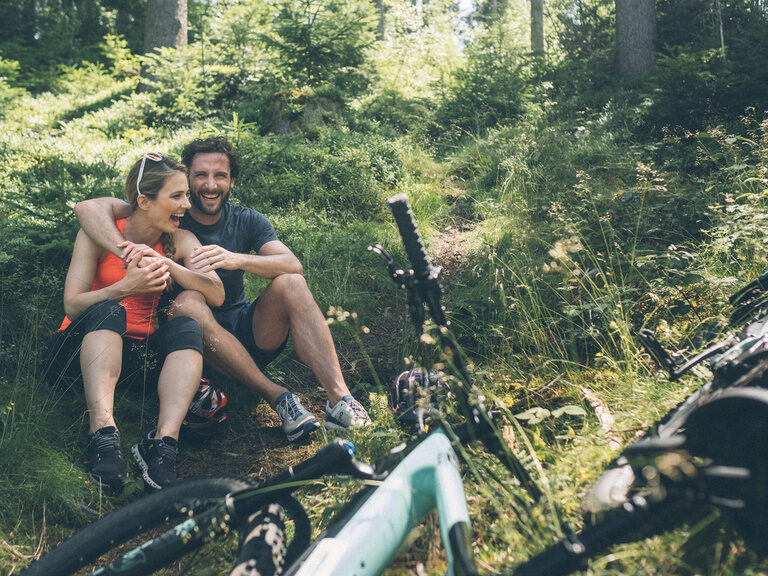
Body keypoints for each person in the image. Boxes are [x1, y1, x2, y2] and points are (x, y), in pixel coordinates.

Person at [74, 137, 371, 443]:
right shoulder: (171, 211)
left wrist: (235, 259)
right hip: (192, 339)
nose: (210, 185)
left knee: (292, 282)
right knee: (187, 303)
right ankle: (277, 397)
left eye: (220, 176)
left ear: (232, 181)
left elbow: (292, 264)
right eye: (201, 175)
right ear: (187, 179)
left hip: (245, 328)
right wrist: (129, 251)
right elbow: (89, 209)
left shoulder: (245, 219)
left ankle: (341, 401)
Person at [46, 153, 225, 490]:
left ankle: (163, 445)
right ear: (144, 201)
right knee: (111, 310)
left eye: (186, 195)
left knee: (186, 326)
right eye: (176, 196)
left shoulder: (180, 240)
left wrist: (167, 264)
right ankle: (102, 434)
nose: (187, 205)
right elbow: (72, 306)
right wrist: (125, 287)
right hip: (75, 352)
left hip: (134, 358)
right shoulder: (100, 235)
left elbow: (216, 294)